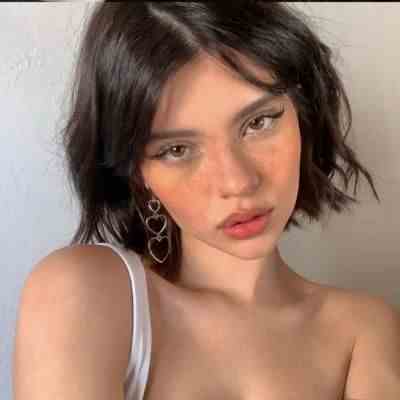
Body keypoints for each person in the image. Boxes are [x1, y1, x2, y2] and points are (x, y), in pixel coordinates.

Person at [13, 2, 400, 400]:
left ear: (302, 114)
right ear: (137, 173)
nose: (238, 182)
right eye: (177, 149)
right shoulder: (84, 293)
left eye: (258, 122)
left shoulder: (362, 331)